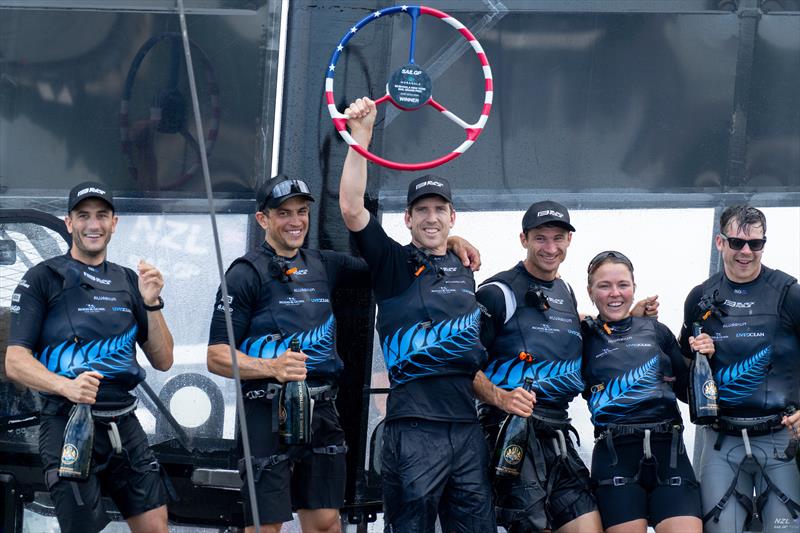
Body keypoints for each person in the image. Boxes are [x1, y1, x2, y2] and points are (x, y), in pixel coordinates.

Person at [207, 174, 480, 533]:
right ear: (263, 219)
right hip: (266, 409)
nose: (295, 222)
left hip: (321, 409)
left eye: (301, 212)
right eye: (284, 213)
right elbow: (216, 356)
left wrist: (450, 242)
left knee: (325, 523)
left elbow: (392, 262)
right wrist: (271, 366)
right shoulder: (245, 273)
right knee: (265, 525)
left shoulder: (324, 264)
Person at [339, 97, 496, 532]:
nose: (431, 218)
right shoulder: (394, 264)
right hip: (413, 431)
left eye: (439, 210)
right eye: (421, 210)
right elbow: (352, 208)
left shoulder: (465, 267)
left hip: (467, 428)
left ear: (452, 216)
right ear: (406, 219)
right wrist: (363, 136)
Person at [4, 181, 174, 533]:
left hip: (125, 425)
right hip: (67, 424)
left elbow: (163, 360)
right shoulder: (41, 279)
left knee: (156, 527)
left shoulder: (129, 281)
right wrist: (65, 387)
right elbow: (15, 362)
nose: (92, 225)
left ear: (114, 223)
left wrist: (152, 302)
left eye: (101, 216)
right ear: (68, 223)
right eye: (83, 216)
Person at [473, 201, 603, 533]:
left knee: (589, 526)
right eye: (540, 238)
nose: (550, 247)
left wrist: (630, 321)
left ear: (569, 241)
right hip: (509, 429)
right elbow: (460, 366)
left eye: (558, 238)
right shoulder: (497, 291)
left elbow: (576, 334)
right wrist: (501, 399)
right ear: (523, 239)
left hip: (558, 430)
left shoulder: (567, 291)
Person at [679, 205, 800, 533]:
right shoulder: (700, 298)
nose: (746, 252)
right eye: (736, 243)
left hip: (781, 437)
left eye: (755, 244)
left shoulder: (789, 293)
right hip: (722, 441)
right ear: (720, 242)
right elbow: (681, 375)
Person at [581, 250, 707, 533]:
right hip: (615, 457)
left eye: (623, 285)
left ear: (634, 288)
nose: (615, 293)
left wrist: (705, 355)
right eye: (604, 285)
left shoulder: (656, 330)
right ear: (590, 291)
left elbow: (690, 393)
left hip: (670, 452)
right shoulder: (583, 337)